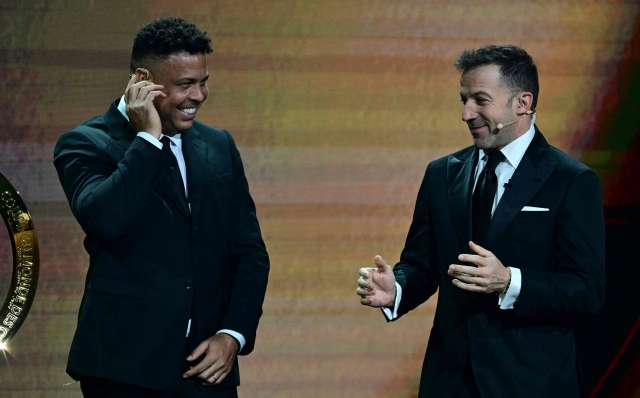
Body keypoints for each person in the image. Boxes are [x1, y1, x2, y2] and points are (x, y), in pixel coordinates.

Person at [356, 45, 605, 398]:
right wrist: (396, 288)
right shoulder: (441, 174)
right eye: (463, 100)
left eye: (480, 100)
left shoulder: (570, 181)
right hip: (449, 380)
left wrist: (509, 281)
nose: (466, 113)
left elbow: (588, 290)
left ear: (522, 102)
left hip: (528, 382)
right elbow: (422, 264)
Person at [54, 17, 269, 398]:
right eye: (185, 85)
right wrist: (148, 139)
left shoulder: (219, 146)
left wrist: (232, 336)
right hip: (123, 371)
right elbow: (105, 220)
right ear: (142, 80)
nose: (199, 96)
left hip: (206, 370)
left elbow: (250, 254)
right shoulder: (84, 143)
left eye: (203, 82)